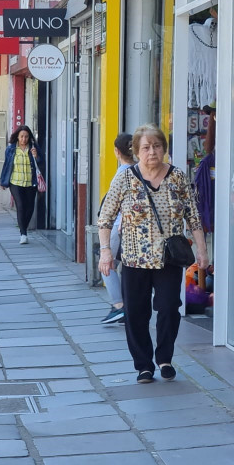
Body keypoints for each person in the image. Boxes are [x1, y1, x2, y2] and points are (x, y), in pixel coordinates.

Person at [97, 124, 209, 384]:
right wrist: (106, 252)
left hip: (169, 258)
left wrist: (202, 251)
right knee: (136, 312)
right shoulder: (125, 179)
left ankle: (165, 358)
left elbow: (193, 217)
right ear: (136, 151)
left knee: (169, 307)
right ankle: (144, 365)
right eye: (146, 147)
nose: (152, 152)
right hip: (135, 259)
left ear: (164, 149)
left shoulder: (178, 177)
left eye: (157, 146)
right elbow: (105, 218)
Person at [98, 133, 136, 325]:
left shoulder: (122, 173)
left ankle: (119, 305)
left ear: (116, 152)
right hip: (130, 227)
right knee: (120, 265)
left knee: (106, 264)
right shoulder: (138, 171)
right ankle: (125, 306)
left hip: (118, 227)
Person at [0, 125, 44, 244]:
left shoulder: (34, 148)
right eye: (22, 136)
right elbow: (7, 165)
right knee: (20, 206)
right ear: (17, 137)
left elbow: (41, 163)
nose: (24, 139)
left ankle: (23, 227)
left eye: (26, 137)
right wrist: (3, 181)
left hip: (31, 182)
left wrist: (37, 156)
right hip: (16, 182)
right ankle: (23, 234)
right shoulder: (11, 149)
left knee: (29, 208)